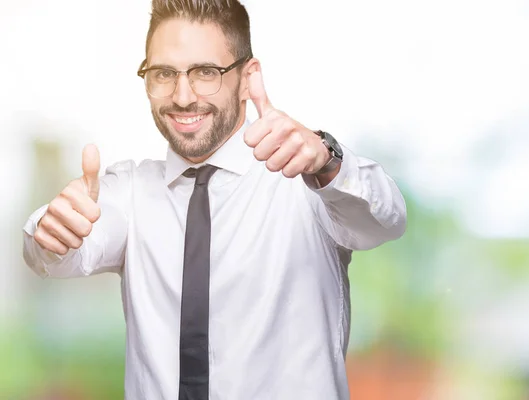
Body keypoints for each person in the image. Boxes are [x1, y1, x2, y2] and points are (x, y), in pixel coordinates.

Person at [21, 0, 407, 399]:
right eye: (164, 73)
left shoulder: (306, 182)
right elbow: (60, 251)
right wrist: (50, 231)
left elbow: (385, 220)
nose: (183, 96)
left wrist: (327, 160)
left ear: (247, 78)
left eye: (207, 72)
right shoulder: (131, 192)